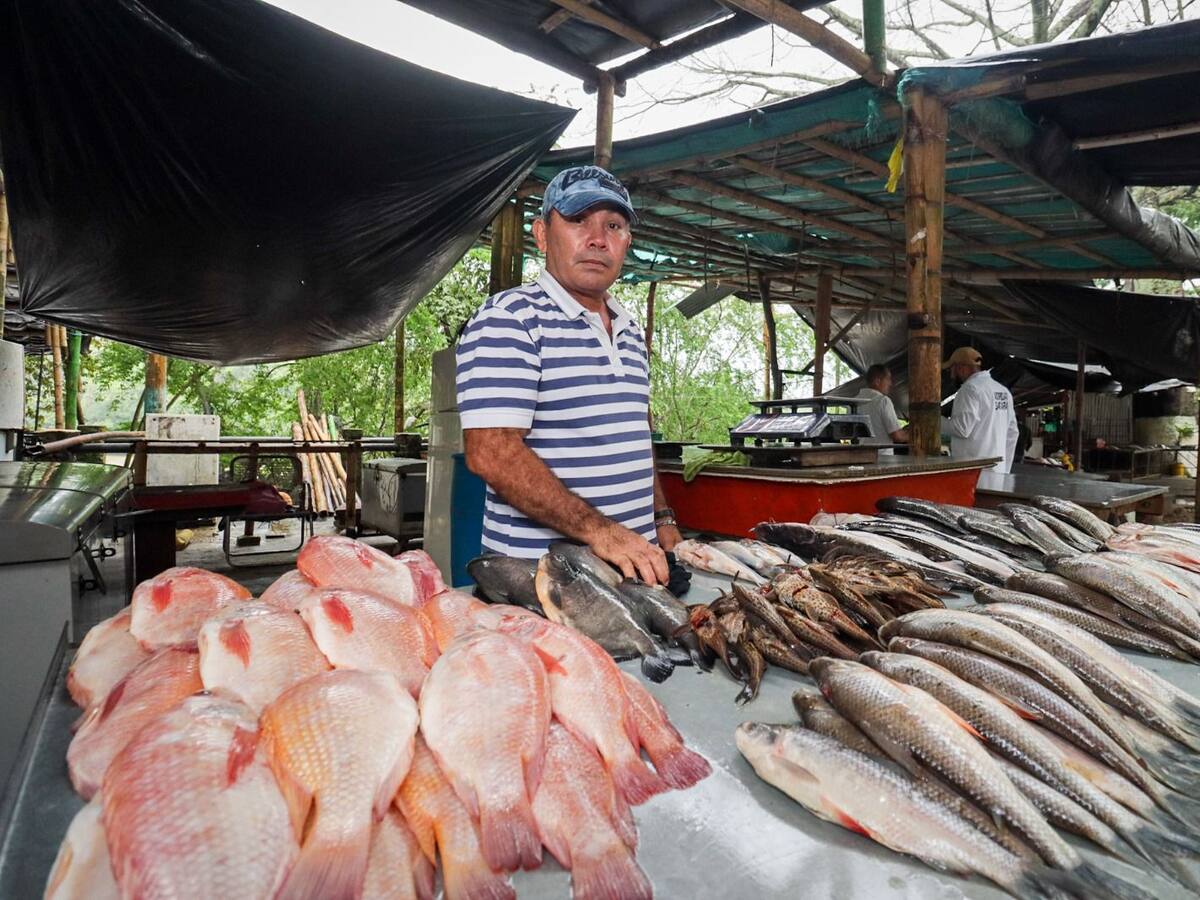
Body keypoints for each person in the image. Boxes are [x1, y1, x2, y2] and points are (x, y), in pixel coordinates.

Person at [455, 165, 681, 585]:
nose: (597, 239)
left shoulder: (629, 330)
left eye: (613, 225)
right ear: (542, 234)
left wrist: (660, 515)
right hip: (544, 582)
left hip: (634, 568)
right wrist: (602, 532)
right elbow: (490, 452)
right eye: (578, 220)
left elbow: (635, 431)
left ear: (626, 242)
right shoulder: (510, 319)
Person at [941, 346, 1019, 472]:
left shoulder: (969, 389)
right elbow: (1013, 433)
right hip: (998, 470)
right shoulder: (1003, 391)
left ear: (960, 368)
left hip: (973, 471)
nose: (951, 374)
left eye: (951, 369)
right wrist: (1005, 470)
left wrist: (935, 420)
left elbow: (961, 429)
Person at [853, 364, 907, 452]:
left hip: (861, 457)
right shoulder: (883, 401)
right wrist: (914, 435)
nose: (890, 383)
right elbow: (897, 436)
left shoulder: (853, 402)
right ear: (877, 381)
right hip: (883, 458)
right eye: (888, 379)